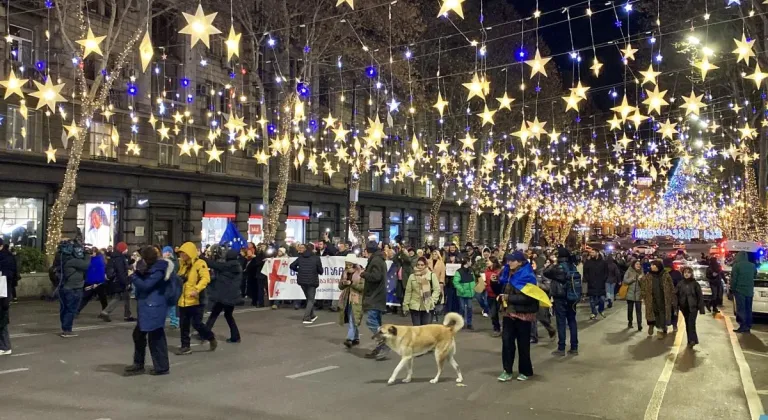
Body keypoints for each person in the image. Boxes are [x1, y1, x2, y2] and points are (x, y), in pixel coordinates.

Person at [124, 246, 171, 376]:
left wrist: (133, 276)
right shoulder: (153, 267)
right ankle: (139, 364)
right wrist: (137, 271)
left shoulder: (159, 270)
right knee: (139, 335)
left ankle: (161, 367)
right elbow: (144, 277)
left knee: (156, 337)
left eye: (142, 257)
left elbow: (146, 285)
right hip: (148, 307)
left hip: (154, 307)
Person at [494, 252, 539, 382]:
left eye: (512, 261)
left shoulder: (528, 276)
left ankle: (525, 371)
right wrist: (495, 283)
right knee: (507, 343)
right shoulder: (507, 274)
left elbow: (529, 298)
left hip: (523, 315)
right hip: (508, 313)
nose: (509, 263)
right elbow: (500, 290)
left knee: (523, 344)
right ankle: (507, 370)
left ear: (520, 262)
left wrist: (509, 298)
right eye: (508, 260)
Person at [176, 242, 217, 354]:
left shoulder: (200, 263)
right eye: (181, 253)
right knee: (183, 325)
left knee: (196, 323)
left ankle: (210, 337)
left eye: (184, 253)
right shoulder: (182, 265)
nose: (182, 255)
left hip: (196, 300)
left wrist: (197, 289)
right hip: (183, 300)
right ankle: (185, 346)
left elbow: (205, 278)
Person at [204, 249, 242, 343]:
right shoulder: (237, 266)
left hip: (224, 296)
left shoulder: (228, 266)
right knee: (227, 315)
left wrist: (201, 257)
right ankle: (235, 336)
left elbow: (214, 265)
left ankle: (205, 333)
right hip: (232, 296)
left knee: (215, 314)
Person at [361, 241, 388, 360]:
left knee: (371, 321)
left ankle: (384, 342)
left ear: (368, 250)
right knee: (377, 322)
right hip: (377, 295)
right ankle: (379, 347)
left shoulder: (376, 260)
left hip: (375, 296)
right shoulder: (378, 259)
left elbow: (376, 277)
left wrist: (364, 274)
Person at [60, 243, 90, 337]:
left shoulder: (67, 260)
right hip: (73, 289)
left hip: (68, 288)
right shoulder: (73, 261)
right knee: (71, 310)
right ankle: (67, 330)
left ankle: (65, 328)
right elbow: (86, 265)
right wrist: (87, 254)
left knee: (66, 309)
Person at [289, 243, 324, 324]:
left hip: (302, 281)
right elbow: (321, 271)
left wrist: (298, 270)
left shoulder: (300, 257)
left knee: (308, 299)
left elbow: (291, 266)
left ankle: (312, 315)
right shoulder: (316, 258)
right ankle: (306, 317)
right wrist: (316, 271)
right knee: (311, 300)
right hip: (312, 281)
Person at [100, 242, 134, 322]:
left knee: (121, 297)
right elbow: (121, 271)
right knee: (122, 297)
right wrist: (126, 282)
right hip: (120, 281)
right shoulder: (120, 258)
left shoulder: (115, 257)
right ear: (123, 249)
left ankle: (126, 314)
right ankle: (126, 315)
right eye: (126, 248)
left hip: (116, 281)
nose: (127, 249)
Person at [640, 260, 675, 337]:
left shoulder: (665, 275)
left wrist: (672, 297)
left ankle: (661, 330)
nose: (651, 266)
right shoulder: (648, 276)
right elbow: (643, 287)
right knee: (652, 313)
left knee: (662, 314)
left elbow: (671, 286)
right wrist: (642, 296)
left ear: (658, 266)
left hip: (663, 299)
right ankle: (651, 326)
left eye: (653, 265)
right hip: (651, 298)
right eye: (651, 265)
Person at [403, 257, 440, 326]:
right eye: (418, 265)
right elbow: (408, 291)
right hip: (415, 306)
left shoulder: (432, 275)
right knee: (416, 329)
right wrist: (405, 304)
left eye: (422, 265)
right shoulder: (412, 276)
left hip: (428, 306)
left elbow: (437, 289)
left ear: (426, 265)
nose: (420, 266)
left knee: (426, 330)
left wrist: (432, 300)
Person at [338, 254, 365, 348]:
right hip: (347, 299)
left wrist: (352, 283)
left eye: (349, 264)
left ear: (353, 264)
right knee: (352, 318)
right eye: (346, 263)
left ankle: (349, 338)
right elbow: (340, 286)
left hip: (357, 299)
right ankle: (356, 337)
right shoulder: (345, 273)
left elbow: (362, 287)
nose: (347, 266)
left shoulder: (361, 273)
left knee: (352, 318)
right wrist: (343, 283)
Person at [676, 266, 705, 347]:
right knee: (687, 323)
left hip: (693, 307)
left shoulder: (695, 284)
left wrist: (701, 308)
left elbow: (700, 296)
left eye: (688, 272)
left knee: (691, 323)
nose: (686, 274)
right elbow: (676, 295)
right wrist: (676, 306)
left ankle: (692, 340)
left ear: (691, 274)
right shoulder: (680, 283)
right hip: (684, 308)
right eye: (685, 272)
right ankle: (691, 340)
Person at [731, 251, 757, 333]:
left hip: (740, 290)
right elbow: (755, 275)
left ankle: (742, 326)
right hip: (749, 291)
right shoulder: (752, 266)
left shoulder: (736, 266)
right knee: (748, 309)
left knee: (741, 309)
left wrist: (733, 289)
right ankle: (748, 326)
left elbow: (734, 279)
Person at [78, 247, 109, 314]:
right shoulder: (100, 259)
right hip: (97, 282)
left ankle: (77, 311)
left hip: (94, 282)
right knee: (102, 298)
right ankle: (105, 312)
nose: (91, 254)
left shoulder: (92, 260)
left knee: (87, 298)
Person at [0, 238, 16, 354]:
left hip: (3, 294)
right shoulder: (7, 257)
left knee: (2, 321)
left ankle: (5, 347)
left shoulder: (6, 258)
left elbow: (10, 276)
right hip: (4, 293)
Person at [452, 258, 476, 330]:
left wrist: (473, 288)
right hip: (462, 293)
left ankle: (469, 323)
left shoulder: (471, 270)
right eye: (470, 261)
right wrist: (462, 290)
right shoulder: (459, 272)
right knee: (462, 308)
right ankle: (461, 323)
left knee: (469, 308)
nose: (471, 262)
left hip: (469, 293)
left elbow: (473, 280)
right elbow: (455, 282)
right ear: (467, 262)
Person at [583, 250, 607, 319]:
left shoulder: (603, 262)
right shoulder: (588, 262)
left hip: (601, 284)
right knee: (592, 300)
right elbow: (585, 272)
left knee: (602, 299)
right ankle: (593, 312)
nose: (591, 254)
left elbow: (606, 272)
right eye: (591, 253)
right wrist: (588, 279)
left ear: (597, 253)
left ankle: (601, 310)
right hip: (591, 284)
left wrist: (603, 279)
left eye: (593, 252)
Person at [161, 246, 179, 328]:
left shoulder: (174, 262)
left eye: (169, 252)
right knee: (165, 305)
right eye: (166, 251)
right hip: (165, 286)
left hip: (171, 286)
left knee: (171, 305)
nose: (167, 253)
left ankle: (174, 321)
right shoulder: (161, 262)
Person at [623, 259, 644, 331]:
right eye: (637, 264)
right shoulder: (629, 271)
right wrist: (633, 279)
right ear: (633, 265)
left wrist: (641, 279)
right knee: (630, 310)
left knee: (639, 310)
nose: (638, 265)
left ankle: (639, 325)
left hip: (638, 294)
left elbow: (644, 283)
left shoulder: (641, 272)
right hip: (630, 293)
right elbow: (625, 281)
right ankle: (630, 322)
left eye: (639, 264)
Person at [485, 256, 503, 337]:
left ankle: (500, 328)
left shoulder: (499, 271)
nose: (487, 262)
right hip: (489, 294)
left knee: (498, 312)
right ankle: (496, 328)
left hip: (497, 295)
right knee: (493, 313)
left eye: (488, 261)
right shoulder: (486, 271)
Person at [429, 250, 446, 323]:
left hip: (438, 282)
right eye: (433, 254)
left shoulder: (441, 263)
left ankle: (436, 313)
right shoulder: (428, 262)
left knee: (437, 298)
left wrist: (441, 282)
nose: (434, 255)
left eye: (436, 254)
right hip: (429, 282)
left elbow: (442, 273)